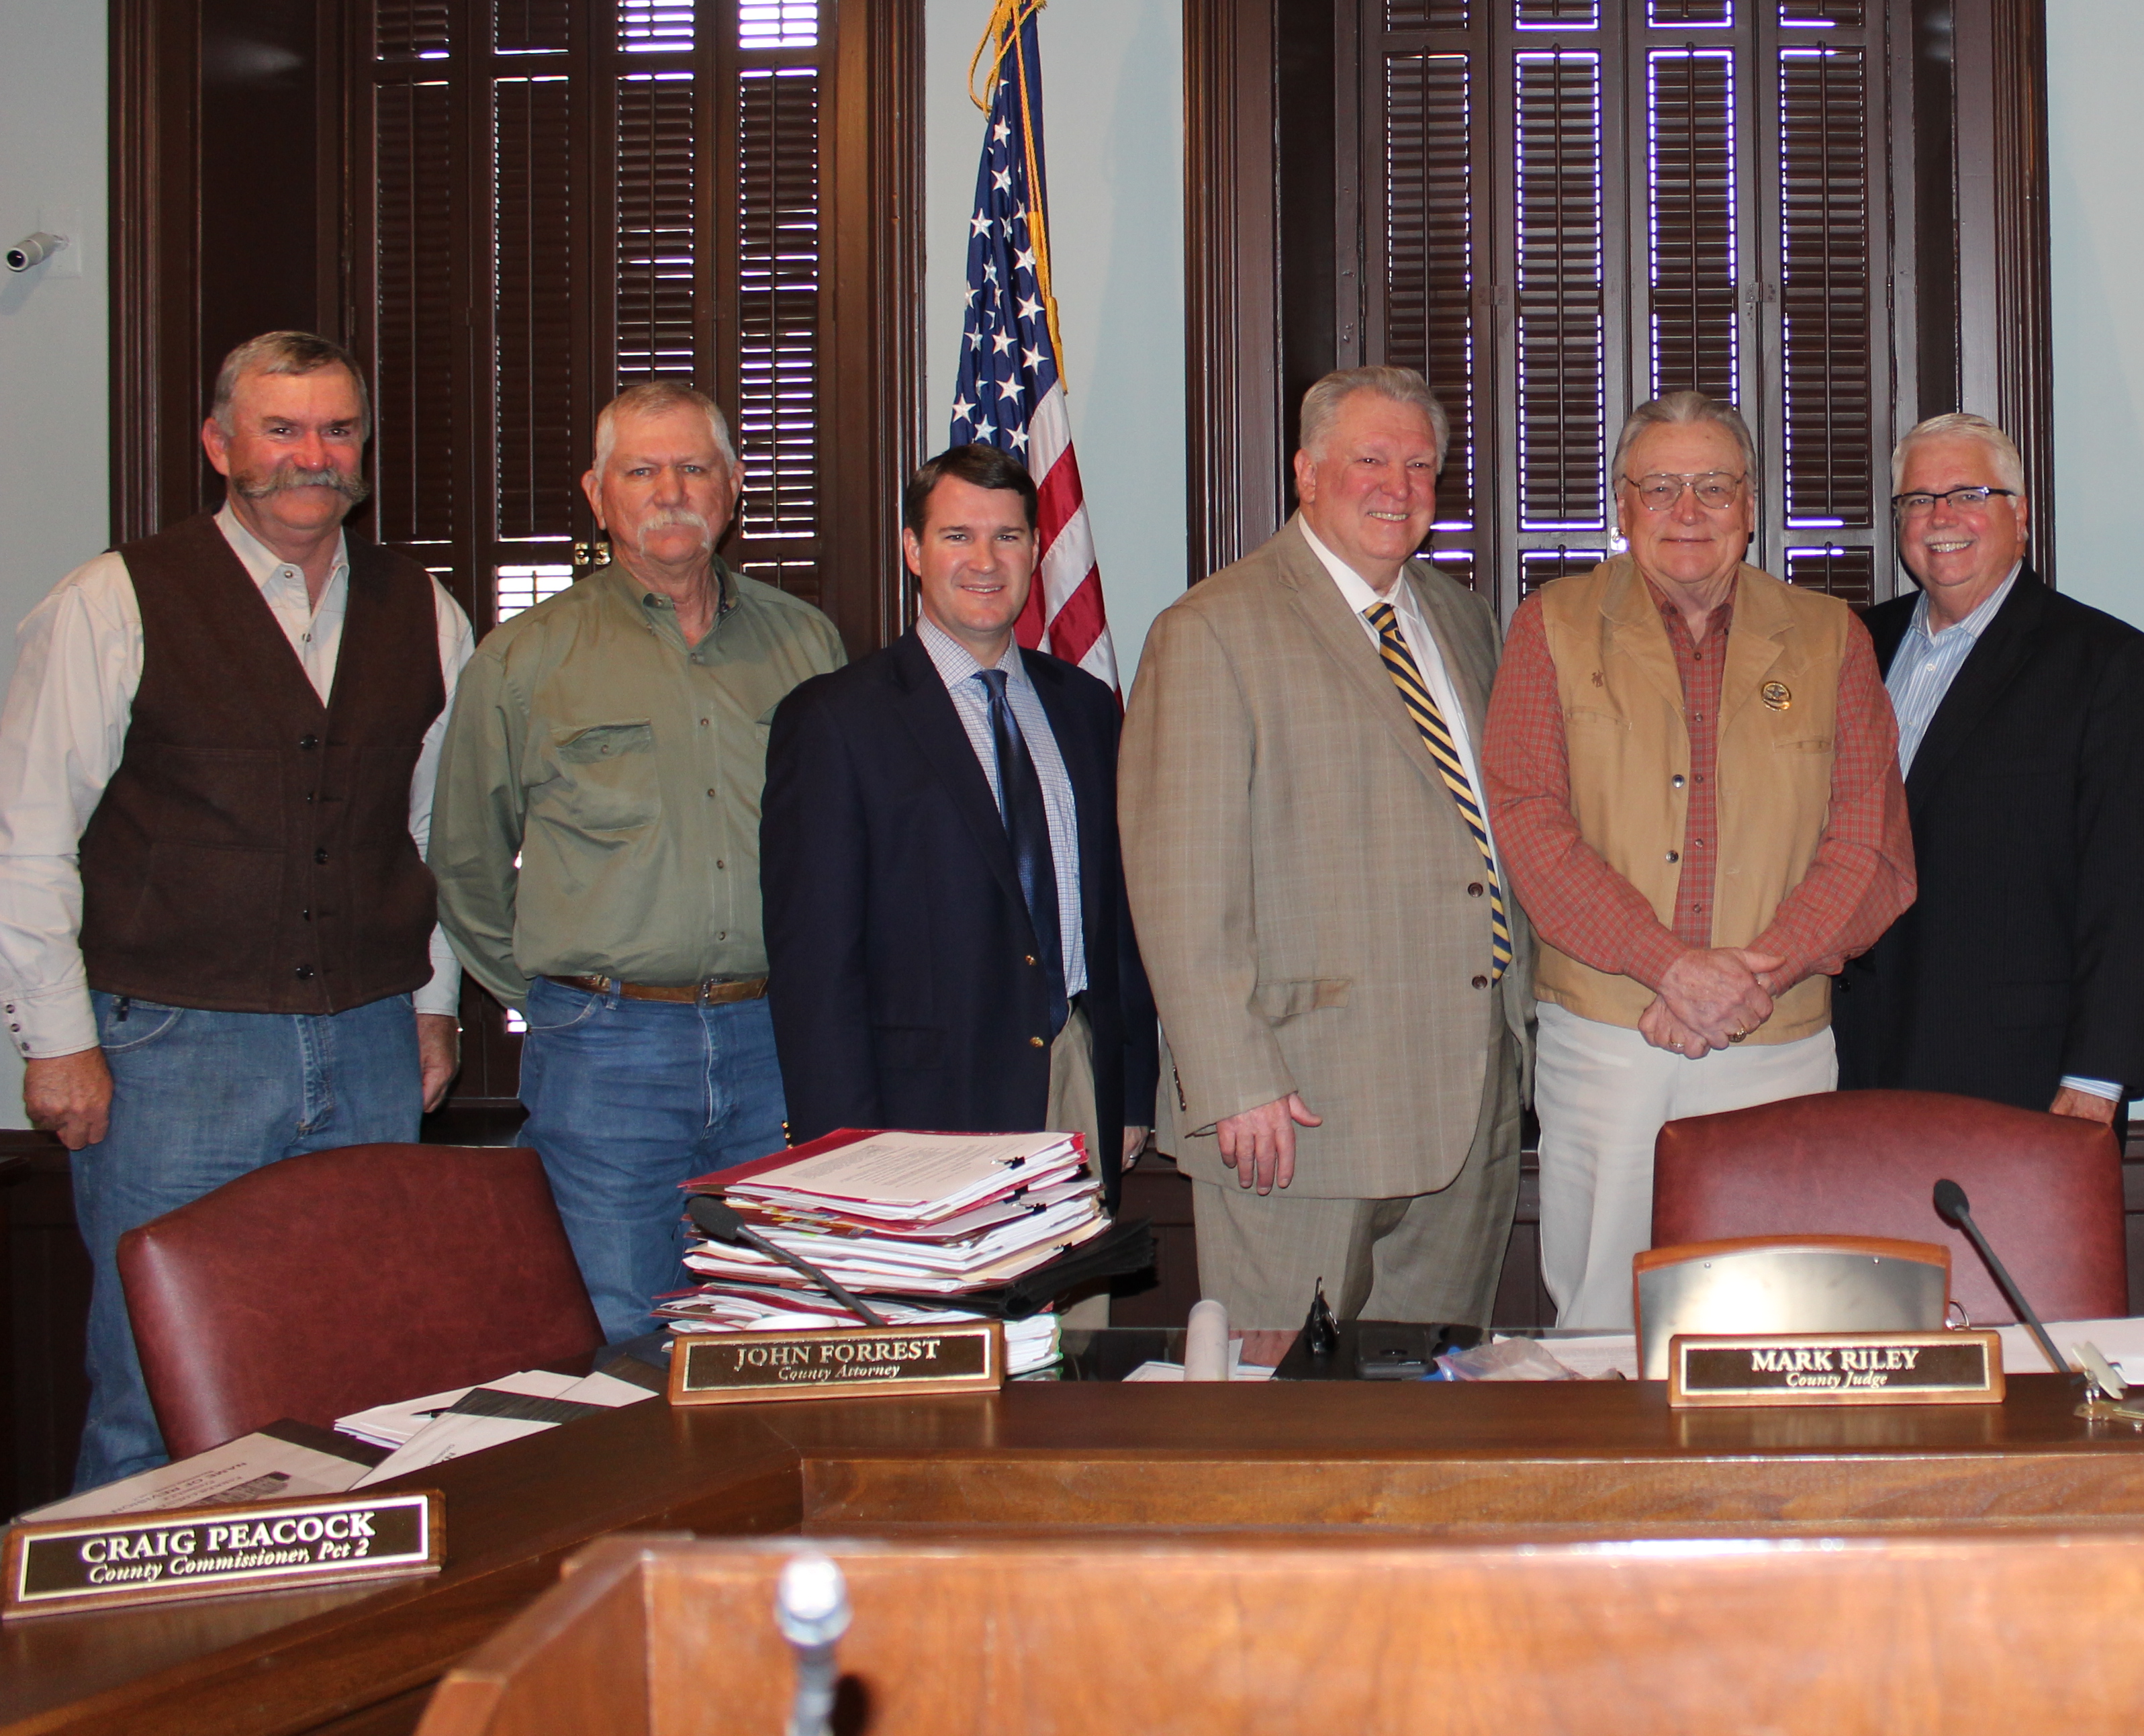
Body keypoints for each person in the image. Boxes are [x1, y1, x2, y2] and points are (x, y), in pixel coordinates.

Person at [0, 332, 473, 1488]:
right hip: (169, 1052)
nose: (313, 455)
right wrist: (59, 1040)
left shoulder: (427, 611)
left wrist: (435, 1005)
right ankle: (120, 1665)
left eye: (337, 429)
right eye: (282, 428)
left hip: (367, 1044)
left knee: (355, 1373)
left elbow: (435, 835)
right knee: (156, 1386)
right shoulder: (113, 602)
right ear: (220, 444)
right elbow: (29, 837)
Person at [1484, 390, 1916, 1331]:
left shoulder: (1830, 638)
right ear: (1624, 504)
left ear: (1751, 505)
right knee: (1602, 1318)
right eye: (1663, 488)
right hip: (1608, 1037)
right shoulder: (1549, 628)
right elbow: (1528, 824)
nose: (1689, 512)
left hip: (1778, 1041)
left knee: (1776, 1319)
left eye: (1714, 488)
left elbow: (1871, 845)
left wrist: (1745, 980)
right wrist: (1672, 968)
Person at [430, 379, 847, 1341]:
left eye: (695, 468)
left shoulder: (807, 647)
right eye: (642, 470)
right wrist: (552, 995)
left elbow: (845, 844)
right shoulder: (526, 659)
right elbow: (465, 860)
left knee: (778, 1326)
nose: (671, 491)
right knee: (616, 1323)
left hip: (776, 1043)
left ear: (734, 486)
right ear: (596, 492)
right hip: (606, 1050)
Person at [1119, 367, 1530, 1330]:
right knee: (1282, 1417)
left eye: (1422, 466)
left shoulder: (1462, 620)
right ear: (1306, 474)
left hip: (1471, 1096)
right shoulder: (1212, 630)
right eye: (1371, 461)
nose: (1400, 487)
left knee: (1431, 1399)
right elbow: (1180, 882)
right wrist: (1232, 1079)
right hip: (1299, 1110)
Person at [763, 443, 1157, 1196]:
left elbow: (1117, 920)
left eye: (1007, 537)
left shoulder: (1083, 708)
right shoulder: (835, 721)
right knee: (953, 1318)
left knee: (1071, 1315)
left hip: (1077, 1077)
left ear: (1037, 551)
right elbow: (816, 971)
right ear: (913, 550)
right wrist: (842, 1148)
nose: (986, 560)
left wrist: (1132, 1085)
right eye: (957, 537)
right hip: (921, 1110)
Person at [1838, 412, 2144, 1120]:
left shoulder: (2105, 664)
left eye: (1968, 494)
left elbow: (2134, 887)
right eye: (1917, 500)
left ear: (2019, 515)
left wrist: (2097, 1077)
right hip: (1851, 1061)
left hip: (2022, 1077)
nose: (1941, 518)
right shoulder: (1851, 646)